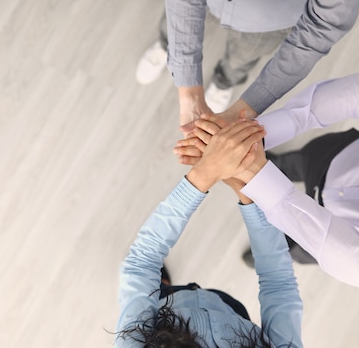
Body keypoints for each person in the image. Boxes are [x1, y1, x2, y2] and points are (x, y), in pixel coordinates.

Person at [174, 68, 359, 304]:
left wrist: (253, 169)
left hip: (342, 236)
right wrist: (254, 135)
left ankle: (273, 252)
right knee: (291, 162)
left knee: (294, 247)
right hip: (340, 155)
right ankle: (274, 162)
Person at [115, 120, 304, 347]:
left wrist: (206, 172)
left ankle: (161, 286)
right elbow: (279, 284)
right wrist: (247, 189)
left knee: (150, 292)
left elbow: (141, 263)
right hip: (228, 308)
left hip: (166, 307)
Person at [135, 0, 359, 134]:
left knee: (240, 60)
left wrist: (246, 108)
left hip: (266, 22)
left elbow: (323, 25)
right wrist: (189, 92)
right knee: (173, 26)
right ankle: (168, 47)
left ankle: (224, 81)